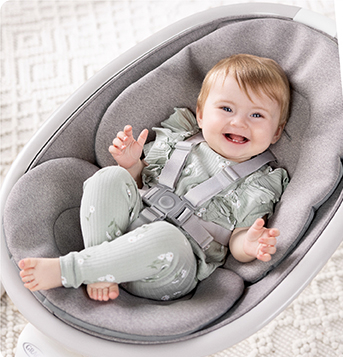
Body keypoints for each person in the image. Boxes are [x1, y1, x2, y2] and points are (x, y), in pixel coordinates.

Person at [18, 54, 290, 302]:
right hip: (120, 236)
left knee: (164, 236)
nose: (239, 122)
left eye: (256, 115)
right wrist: (132, 165)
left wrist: (249, 244)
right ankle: (100, 269)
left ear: (276, 133)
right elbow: (139, 187)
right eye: (227, 109)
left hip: (171, 266)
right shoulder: (180, 139)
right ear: (200, 114)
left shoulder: (259, 182)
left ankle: (73, 269)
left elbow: (236, 240)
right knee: (109, 176)